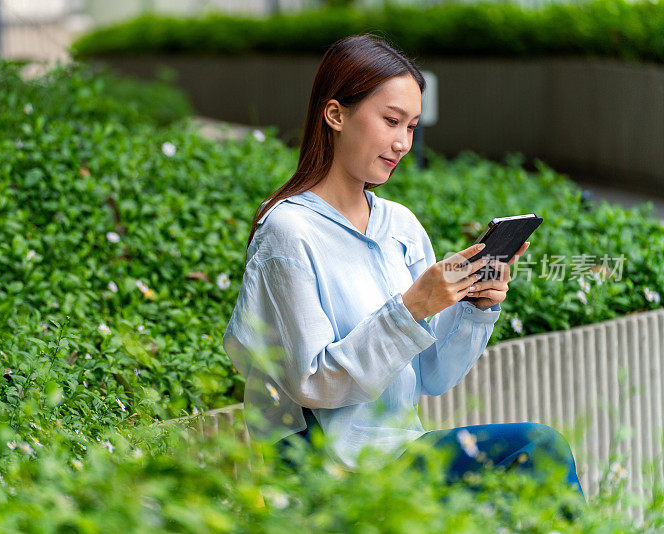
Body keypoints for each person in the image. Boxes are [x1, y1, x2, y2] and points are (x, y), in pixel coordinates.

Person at [221, 33, 585, 506]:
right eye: (391, 121)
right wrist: (413, 306)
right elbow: (311, 382)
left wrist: (475, 308)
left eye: (411, 127)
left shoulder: (401, 227)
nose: (402, 143)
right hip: (329, 470)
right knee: (537, 448)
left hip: (401, 450)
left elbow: (432, 376)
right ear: (335, 115)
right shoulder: (289, 233)